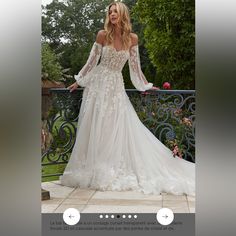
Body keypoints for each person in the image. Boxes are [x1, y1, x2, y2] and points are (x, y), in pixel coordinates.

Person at [60, 1, 195, 196]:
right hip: (97, 86)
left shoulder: (132, 39)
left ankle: (110, 167)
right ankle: (94, 168)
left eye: (115, 11)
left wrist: (145, 85)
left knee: (113, 125)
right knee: (96, 126)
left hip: (115, 86)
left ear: (122, 14)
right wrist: (79, 81)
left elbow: (135, 69)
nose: (112, 14)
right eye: (110, 11)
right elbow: (91, 63)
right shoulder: (102, 35)